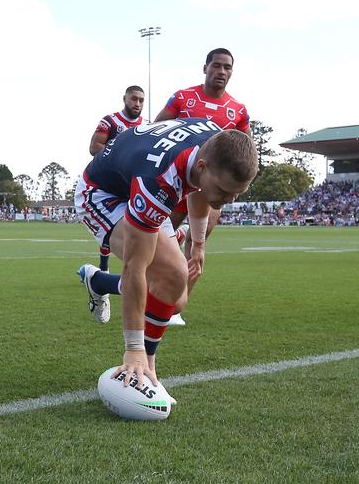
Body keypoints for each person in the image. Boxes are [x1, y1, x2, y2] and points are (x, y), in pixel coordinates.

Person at [75, 118, 258, 386]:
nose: (229, 201)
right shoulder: (159, 180)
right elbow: (134, 268)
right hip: (103, 194)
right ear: (203, 166)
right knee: (166, 275)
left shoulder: (215, 145)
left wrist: (197, 244)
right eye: (224, 191)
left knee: (176, 299)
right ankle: (145, 366)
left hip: (139, 182)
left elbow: (198, 188)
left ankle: (98, 281)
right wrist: (134, 349)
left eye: (237, 194)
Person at [152, 47, 251, 324]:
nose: (221, 71)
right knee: (156, 239)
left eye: (227, 67)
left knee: (199, 244)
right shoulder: (183, 97)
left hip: (209, 189)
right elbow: (157, 128)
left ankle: (175, 307)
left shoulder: (238, 111)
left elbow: (246, 150)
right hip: (176, 182)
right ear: (205, 67)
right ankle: (157, 292)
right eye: (217, 65)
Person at [88, 85, 146, 273]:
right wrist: (120, 157)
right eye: (134, 99)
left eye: (141, 100)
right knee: (111, 226)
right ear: (125, 99)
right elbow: (94, 148)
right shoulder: (110, 121)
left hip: (135, 183)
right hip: (111, 183)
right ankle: (104, 266)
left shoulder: (147, 125)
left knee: (139, 224)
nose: (137, 103)